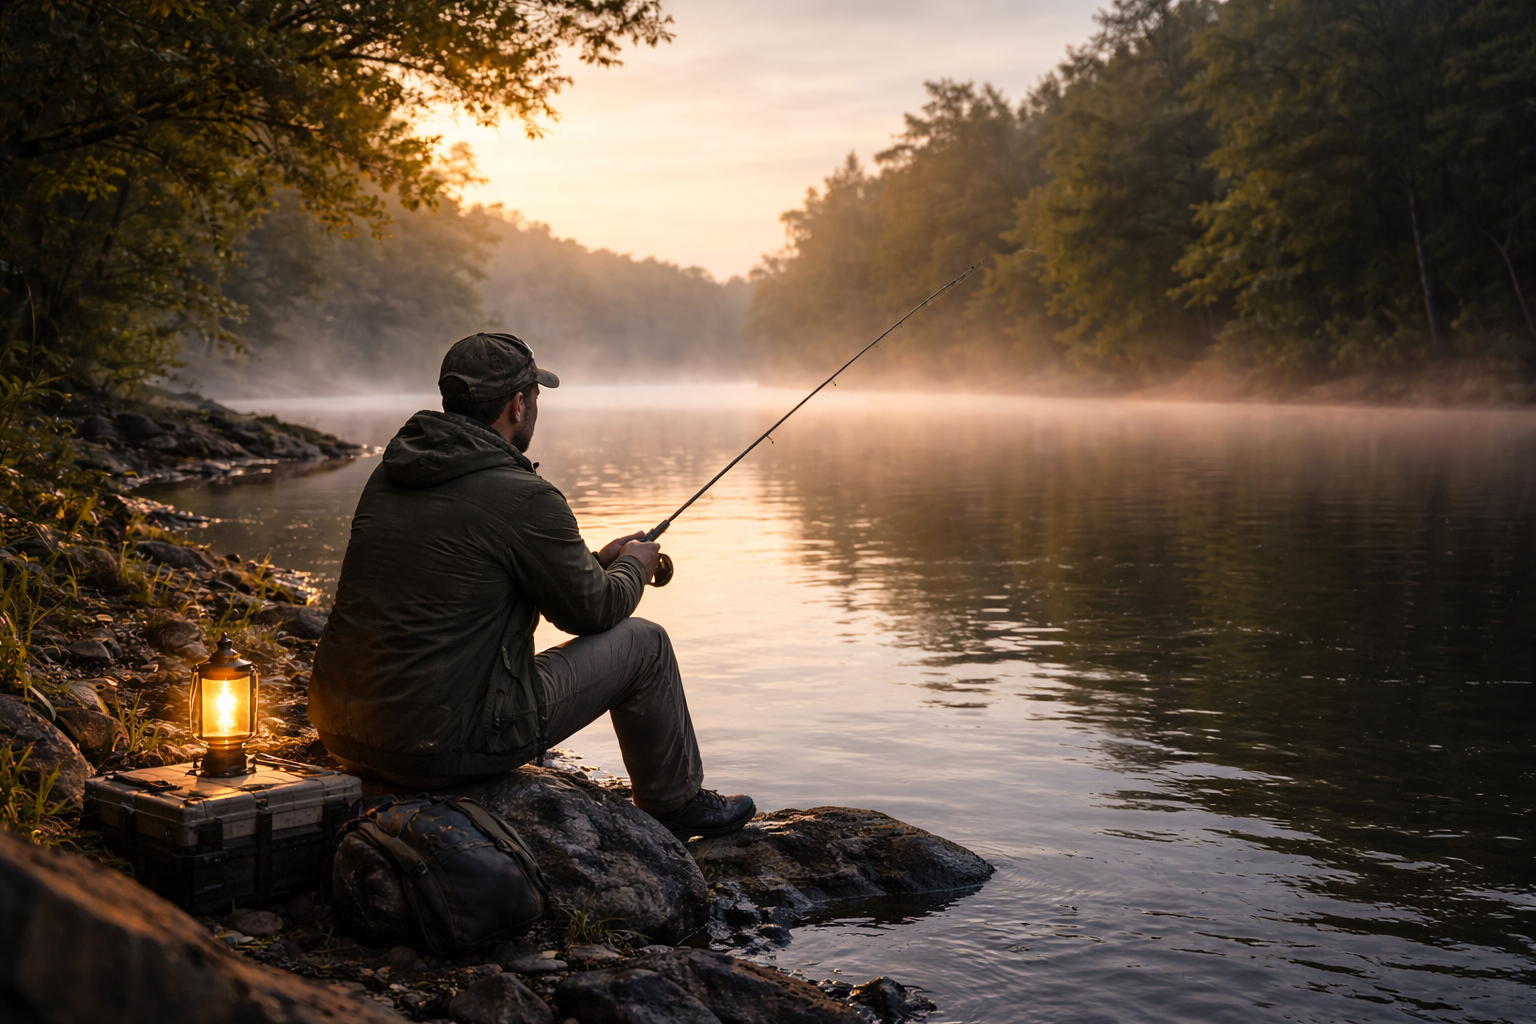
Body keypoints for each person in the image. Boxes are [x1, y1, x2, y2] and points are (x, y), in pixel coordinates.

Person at [308, 332, 755, 839]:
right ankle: (674, 802)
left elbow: (471, 578)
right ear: (518, 405)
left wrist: (596, 561)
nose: (536, 409)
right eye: (536, 397)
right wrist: (634, 566)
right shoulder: (524, 496)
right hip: (440, 748)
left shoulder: (389, 477)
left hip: (344, 733)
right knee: (644, 644)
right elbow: (594, 612)